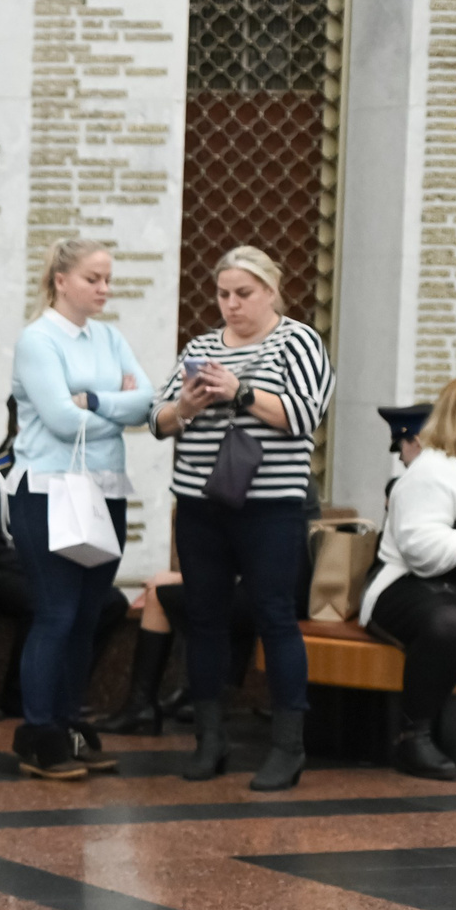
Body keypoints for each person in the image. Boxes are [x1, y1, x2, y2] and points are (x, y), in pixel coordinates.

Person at [149, 246, 335, 789]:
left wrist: (241, 391)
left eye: (244, 294)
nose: (231, 305)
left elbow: (305, 415)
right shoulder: (203, 346)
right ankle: (210, 740)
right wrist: (185, 406)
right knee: (204, 617)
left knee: (274, 615)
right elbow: (158, 422)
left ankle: (287, 747)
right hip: (200, 505)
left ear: (271, 292)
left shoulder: (297, 340)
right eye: (224, 294)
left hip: (270, 507)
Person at [6, 240, 149, 779]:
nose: (105, 289)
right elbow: (62, 422)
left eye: (108, 279)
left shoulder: (109, 338)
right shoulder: (39, 340)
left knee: (88, 615)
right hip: (47, 490)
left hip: (103, 488)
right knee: (57, 613)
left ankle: (70, 722)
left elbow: (150, 401)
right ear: (61, 280)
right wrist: (119, 403)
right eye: (94, 278)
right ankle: (40, 732)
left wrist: (94, 400)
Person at [361, 374, 456, 779]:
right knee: (452, 627)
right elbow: (425, 551)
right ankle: (412, 737)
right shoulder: (433, 470)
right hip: (404, 585)